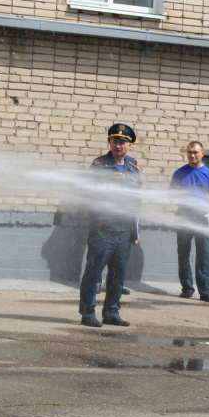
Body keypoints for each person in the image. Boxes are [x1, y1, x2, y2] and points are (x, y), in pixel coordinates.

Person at [78, 123, 142, 328]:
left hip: (125, 230)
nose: (119, 145)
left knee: (118, 274)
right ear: (109, 142)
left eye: (123, 142)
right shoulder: (99, 166)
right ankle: (88, 313)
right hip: (103, 228)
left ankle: (111, 312)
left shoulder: (133, 167)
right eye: (115, 141)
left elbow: (136, 201)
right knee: (94, 273)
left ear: (130, 145)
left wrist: (135, 230)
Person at [170, 142, 209, 302]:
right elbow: (170, 195)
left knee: (204, 255)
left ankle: (205, 291)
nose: (192, 155)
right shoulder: (179, 173)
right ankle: (187, 288)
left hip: (203, 219)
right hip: (183, 217)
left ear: (202, 154)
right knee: (183, 254)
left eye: (195, 152)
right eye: (190, 152)